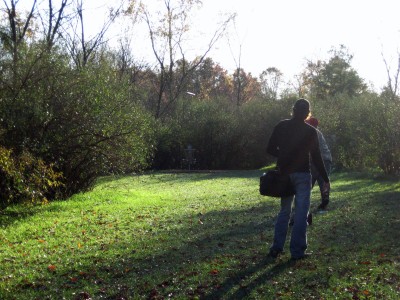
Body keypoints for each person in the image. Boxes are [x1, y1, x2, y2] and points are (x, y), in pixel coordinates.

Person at [266, 99, 330, 260]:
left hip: (284, 174)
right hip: (303, 174)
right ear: (308, 113)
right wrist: (325, 178)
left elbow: (270, 148)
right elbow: (316, 158)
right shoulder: (310, 131)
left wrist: (284, 156)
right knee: (302, 213)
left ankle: (276, 248)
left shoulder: (281, 126)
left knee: (284, 211)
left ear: (293, 110)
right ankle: (297, 251)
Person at [305, 117, 332, 210]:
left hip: (316, 159)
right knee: (324, 181)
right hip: (327, 158)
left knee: (309, 181)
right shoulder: (319, 132)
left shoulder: (310, 132)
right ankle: (325, 198)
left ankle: (304, 203)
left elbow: (311, 150)